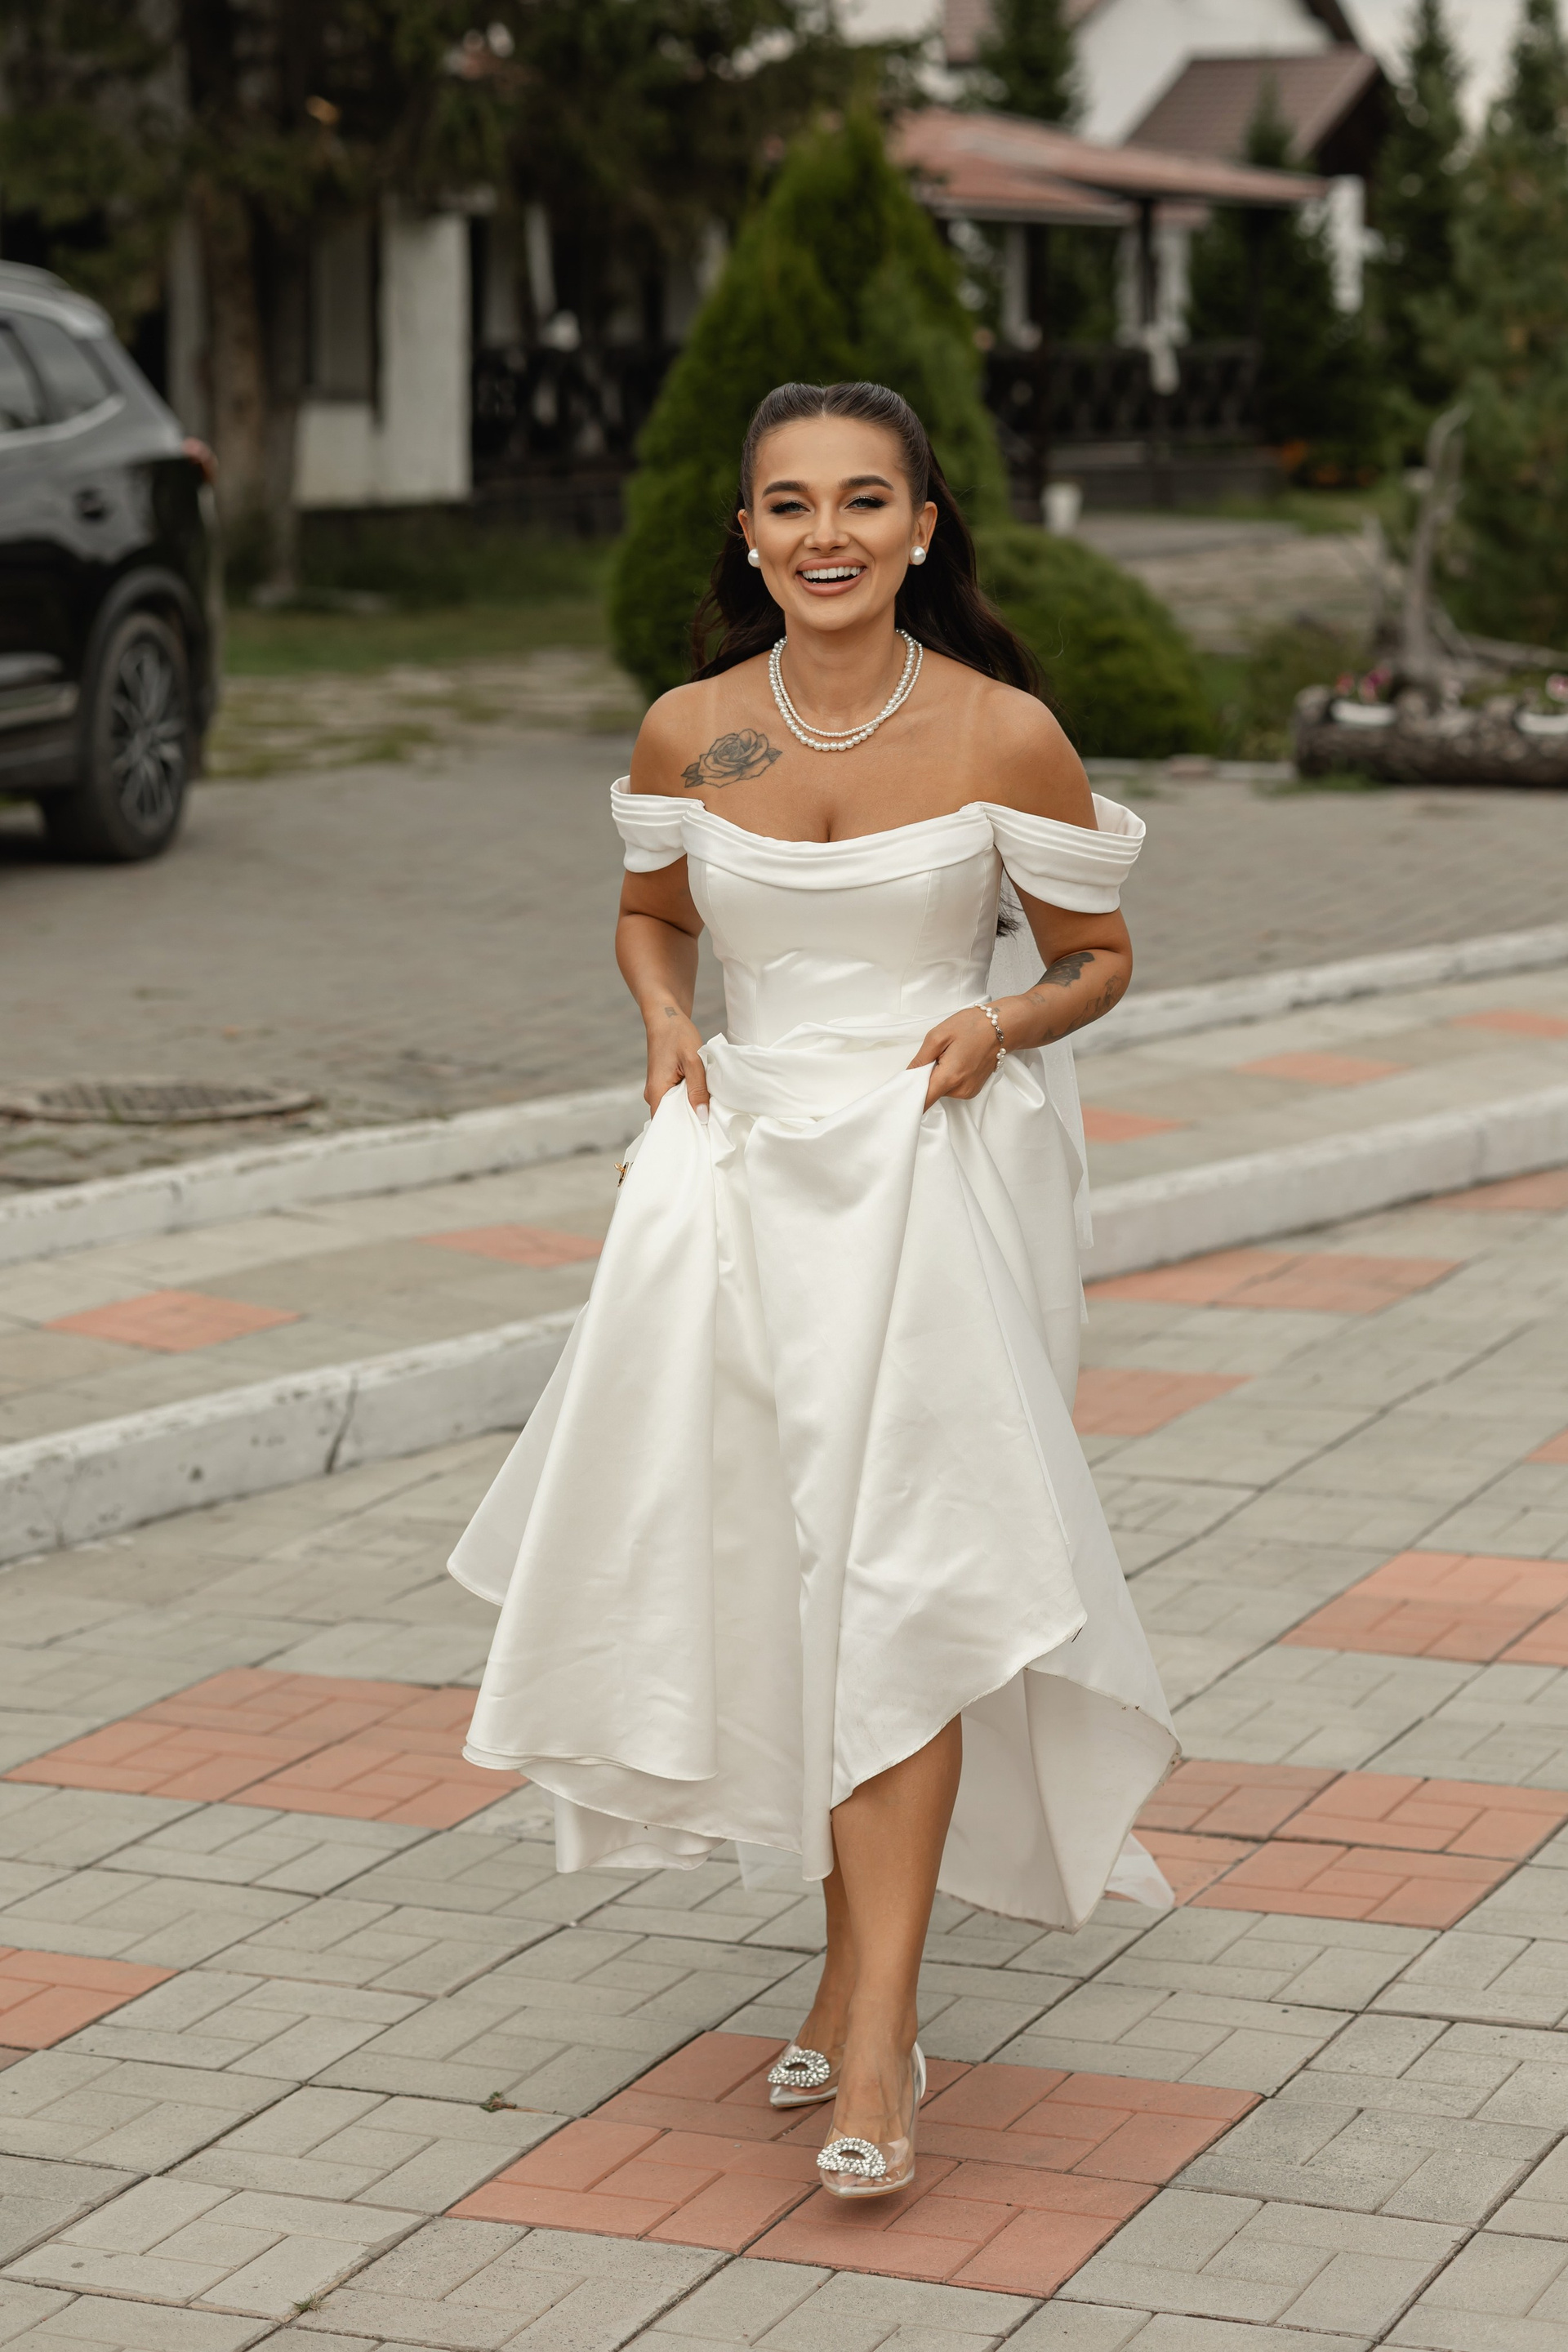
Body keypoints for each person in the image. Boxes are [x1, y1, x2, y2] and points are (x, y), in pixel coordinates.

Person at [450, 381, 1176, 2202]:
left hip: (934, 1186)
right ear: (750, 533)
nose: (826, 533)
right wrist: (666, 1018)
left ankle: (877, 2041)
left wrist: (998, 1021)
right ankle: (848, 1979)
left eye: (864, 500)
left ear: (924, 528)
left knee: (905, 1574)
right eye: (790, 504)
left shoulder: (1006, 731)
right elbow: (652, 912)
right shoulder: (693, 730)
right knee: (780, 1573)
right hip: (739, 1186)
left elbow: (1097, 956)